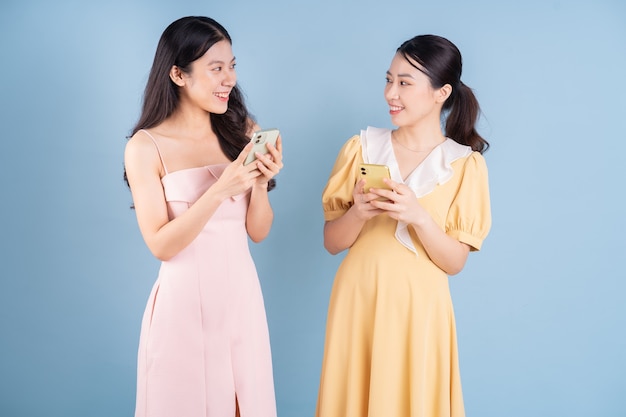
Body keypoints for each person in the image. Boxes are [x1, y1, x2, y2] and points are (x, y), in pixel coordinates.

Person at [316, 34, 491, 417]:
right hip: (358, 300)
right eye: (389, 79)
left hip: (420, 309)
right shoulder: (361, 148)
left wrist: (418, 216)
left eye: (405, 83)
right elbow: (332, 242)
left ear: (441, 92)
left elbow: (454, 262)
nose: (390, 93)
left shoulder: (464, 165)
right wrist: (358, 213)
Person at [123, 16, 282, 417]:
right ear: (178, 74)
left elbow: (258, 232)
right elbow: (160, 244)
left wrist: (261, 183)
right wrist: (218, 192)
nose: (228, 78)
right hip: (183, 307)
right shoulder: (146, 146)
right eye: (216, 68)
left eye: (231, 66)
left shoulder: (243, 131)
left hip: (241, 298)